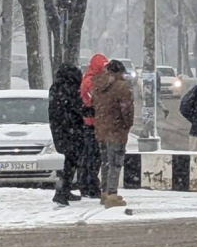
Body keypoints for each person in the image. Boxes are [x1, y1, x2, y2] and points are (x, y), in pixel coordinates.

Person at [92, 59, 135, 208]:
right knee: (115, 163)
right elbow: (127, 110)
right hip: (116, 130)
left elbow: (94, 107)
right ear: (119, 72)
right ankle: (112, 194)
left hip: (101, 129)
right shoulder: (121, 87)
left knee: (105, 162)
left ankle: (104, 192)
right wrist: (127, 125)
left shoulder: (97, 86)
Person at [48, 64, 85, 207]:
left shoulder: (56, 87)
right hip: (71, 130)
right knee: (71, 162)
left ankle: (65, 189)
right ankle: (61, 191)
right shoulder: (70, 89)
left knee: (69, 162)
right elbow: (76, 108)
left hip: (60, 130)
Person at [79, 53, 107, 199]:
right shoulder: (91, 81)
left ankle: (87, 184)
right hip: (92, 124)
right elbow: (94, 100)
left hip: (92, 122)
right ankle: (90, 185)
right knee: (93, 157)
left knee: (92, 156)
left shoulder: (89, 79)